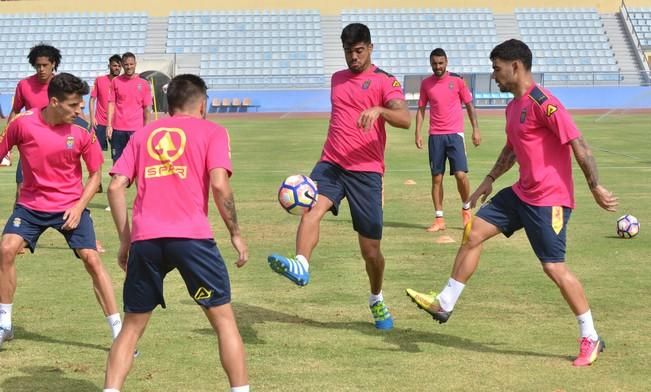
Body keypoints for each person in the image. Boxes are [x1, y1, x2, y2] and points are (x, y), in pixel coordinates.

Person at [406, 39, 618, 367]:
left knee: (553, 267)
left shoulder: (544, 102)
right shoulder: (512, 107)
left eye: (497, 69)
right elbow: (511, 150)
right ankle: (445, 302)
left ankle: (590, 336)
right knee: (473, 232)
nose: (494, 76)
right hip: (521, 193)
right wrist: (489, 180)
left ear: (515, 66)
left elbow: (579, 143)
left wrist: (595, 186)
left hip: (550, 201)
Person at [104, 74, 249, 392]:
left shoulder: (143, 134)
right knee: (224, 322)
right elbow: (220, 183)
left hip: (146, 240)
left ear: (169, 104)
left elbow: (115, 187)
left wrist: (126, 240)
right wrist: (235, 233)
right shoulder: (213, 131)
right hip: (191, 238)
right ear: (203, 103)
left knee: (131, 328)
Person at [267, 23, 411, 330]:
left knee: (370, 251)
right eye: (348, 52)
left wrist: (380, 111)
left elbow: (405, 118)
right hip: (331, 163)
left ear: (370, 48)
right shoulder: (337, 79)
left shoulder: (386, 81)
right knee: (311, 209)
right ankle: (301, 264)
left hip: (367, 172)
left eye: (359, 51)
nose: (353, 58)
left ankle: (376, 298)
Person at [0, 73, 123, 350]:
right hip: (30, 206)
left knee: (92, 259)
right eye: (73, 106)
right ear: (54, 102)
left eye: (81, 105)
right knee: (6, 249)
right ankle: (4, 324)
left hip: (69, 205)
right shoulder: (22, 124)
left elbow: (95, 175)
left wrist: (79, 208)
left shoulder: (82, 131)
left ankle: (119, 331)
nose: (79, 111)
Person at [415, 48, 480, 232]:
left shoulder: (457, 81)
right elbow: (421, 109)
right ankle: (439, 219)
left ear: (446, 62)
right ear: (431, 63)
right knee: (437, 178)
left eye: (441, 63)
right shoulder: (426, 84)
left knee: (461, 175)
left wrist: (475, 129)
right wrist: (417, 132)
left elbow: (469, 105)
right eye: (435, 63)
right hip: (435, 136)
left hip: (455, 134)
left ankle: (466, 210)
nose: (438, 66)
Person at [6, 44, 61, 202]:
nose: (41, 69)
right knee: (21, 188)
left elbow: (73, 110)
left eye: (45, 65)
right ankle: (18, 224)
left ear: (53, 64)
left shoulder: (61, 84)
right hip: (30, 145)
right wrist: (8, 142)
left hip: (57, 144)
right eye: (38, 66)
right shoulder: (24, 85)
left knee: (61, 189)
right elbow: (15, 111)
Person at [106, 52, 151, 165]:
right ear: (122, 64)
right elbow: (111, 104)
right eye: (126, 64)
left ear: (135, 64)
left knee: (138, 164)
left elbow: (147, 108)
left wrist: (146, 129)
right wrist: (109, 125)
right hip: (118, 130)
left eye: (131, 64)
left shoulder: (144, 83)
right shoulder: (115, 81)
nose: (129, 67)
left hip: (137, 130)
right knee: (117, 164)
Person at [90, 54, 122, 194]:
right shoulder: (99, 80)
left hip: (117, 124)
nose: (117, 68)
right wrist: (92, 118)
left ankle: (114, 184)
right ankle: (97, 183)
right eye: (114, 65)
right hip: (100, 123)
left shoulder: (123, 82)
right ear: (109, 66)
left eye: (119, 66)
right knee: (97, 155)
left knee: (116, 157)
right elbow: (92, 100)